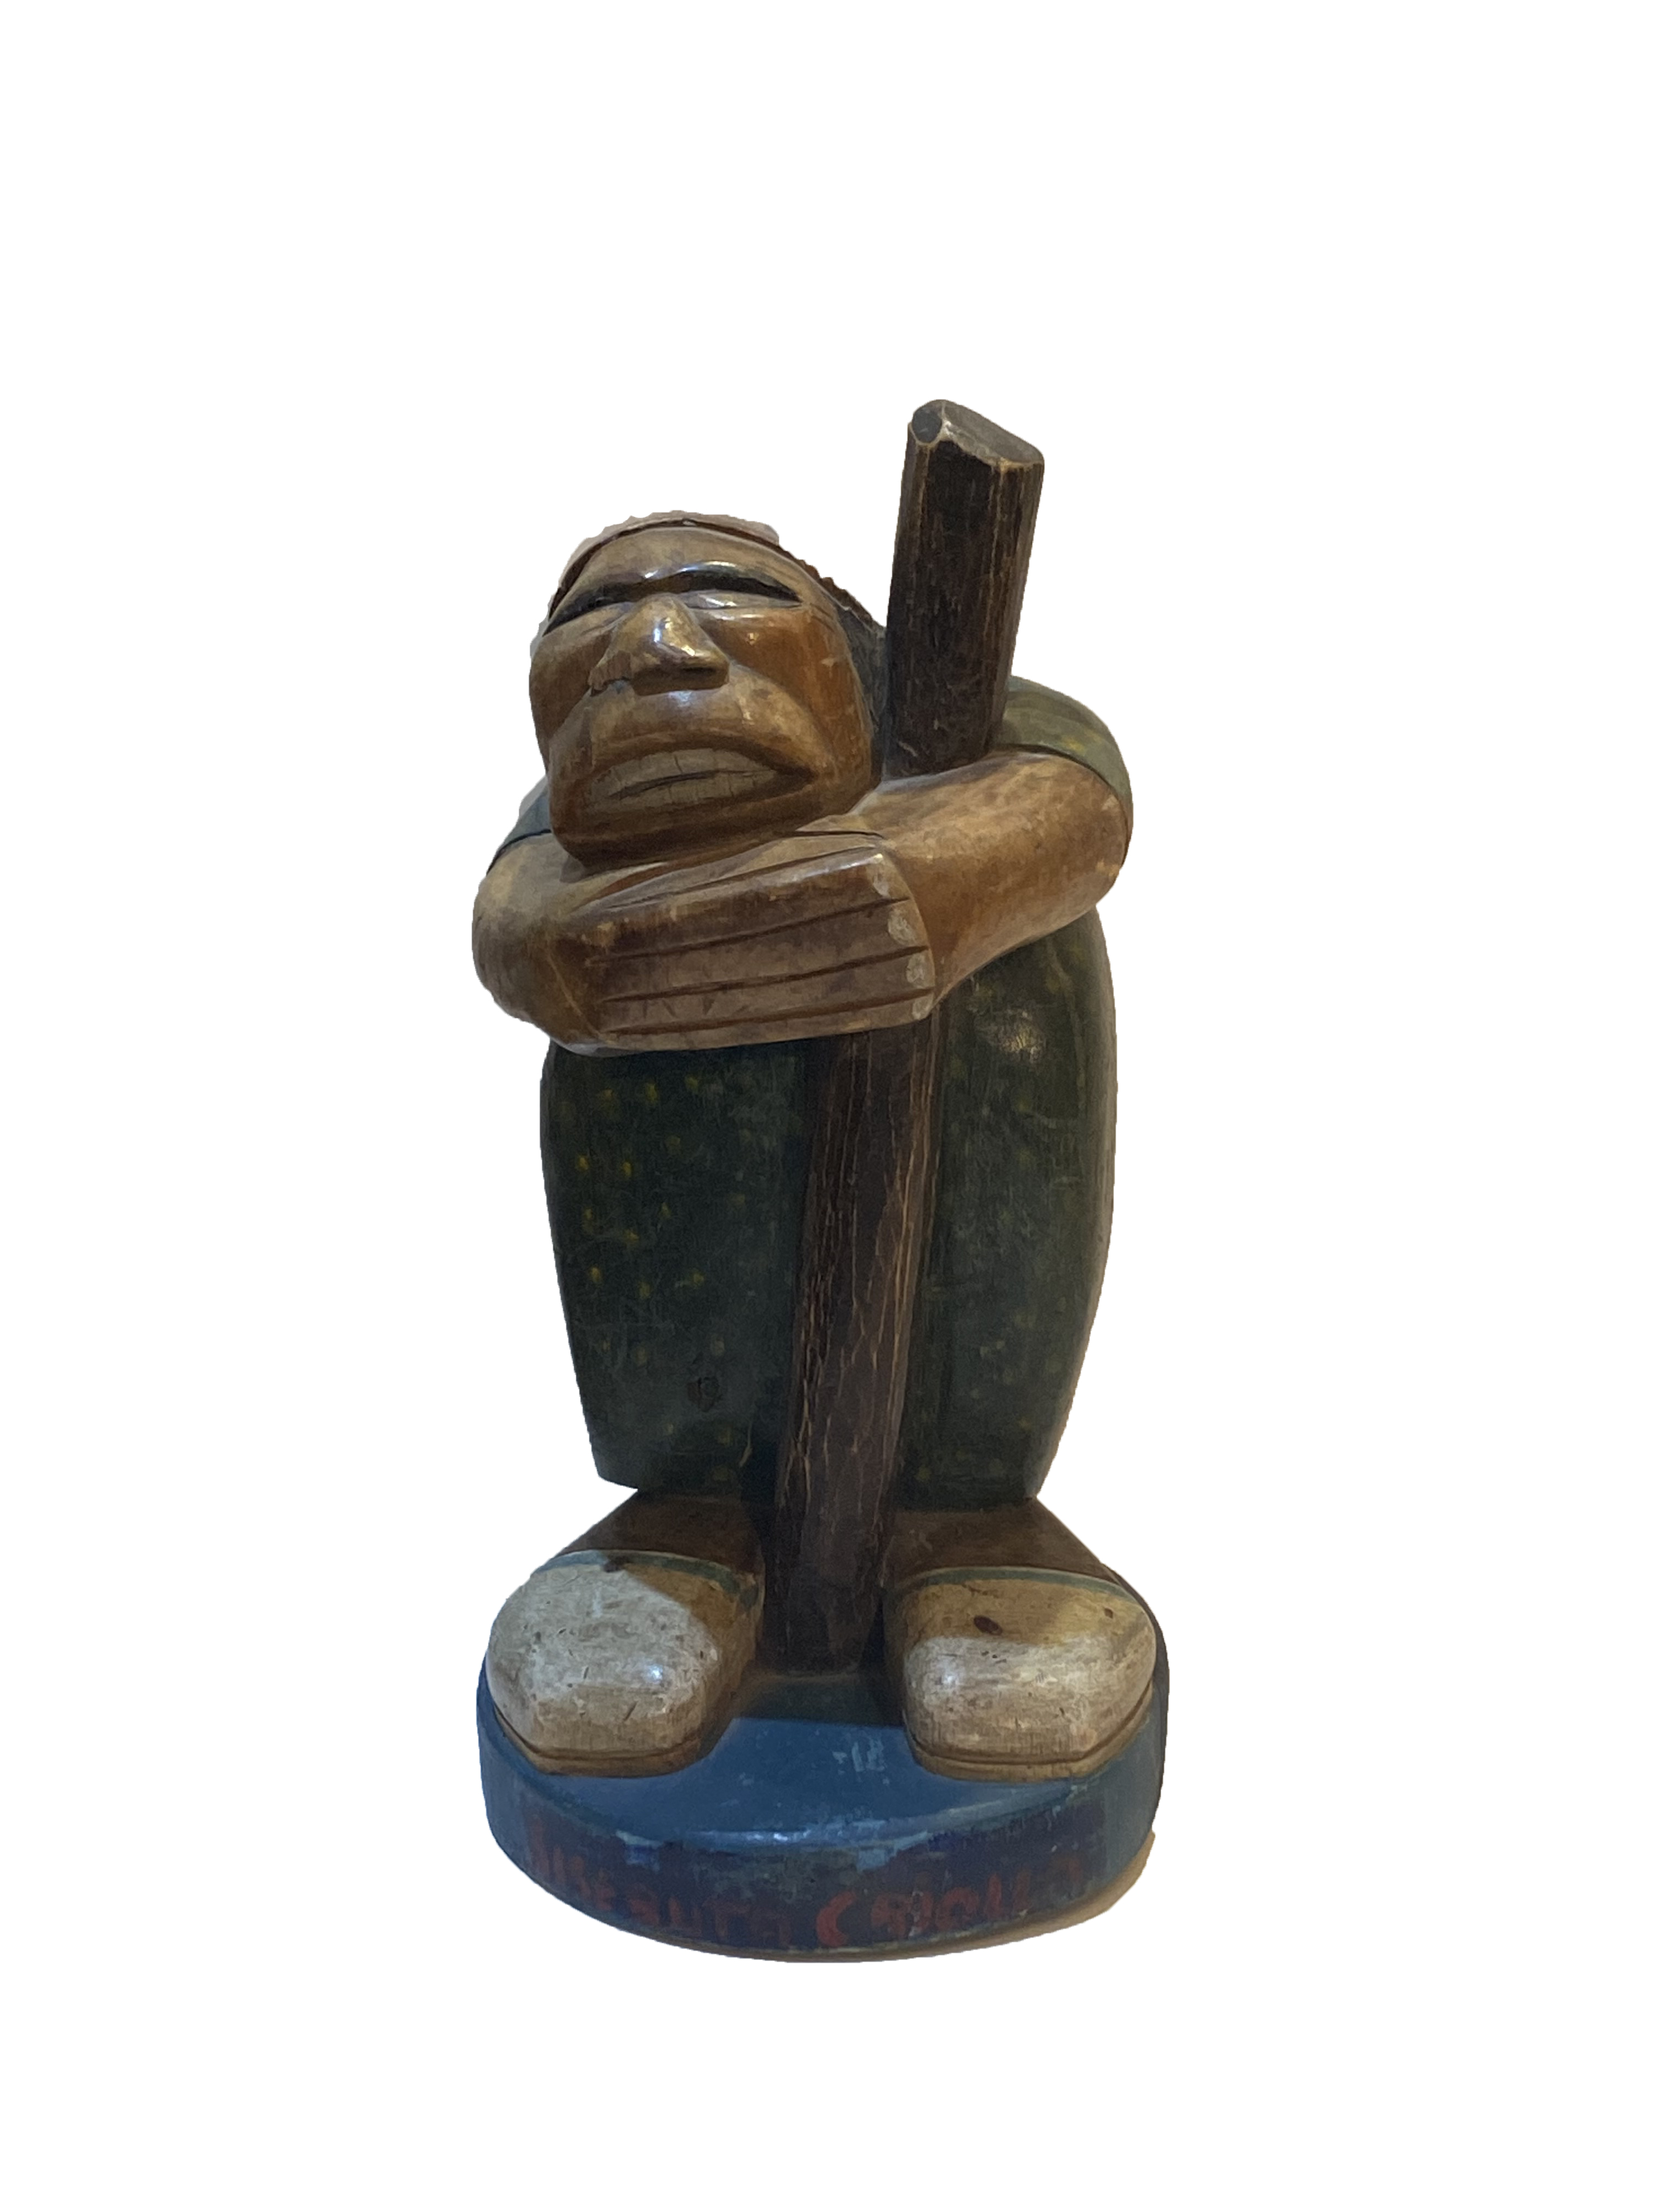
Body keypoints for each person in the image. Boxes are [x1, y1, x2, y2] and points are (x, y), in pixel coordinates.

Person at [473, 514, 1156, 1782]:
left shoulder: (981, 736)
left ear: (863, 659)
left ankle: (971, 1532)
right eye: (593, 618)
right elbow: (526, 930)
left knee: (1000, 1156)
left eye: (727, 593)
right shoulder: (562, 838)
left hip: (972, 1162)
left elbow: (1073, 806)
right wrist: (790, 925)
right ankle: (691, 1527)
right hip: (687, 1226)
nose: (658, 646)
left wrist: (919, 874)